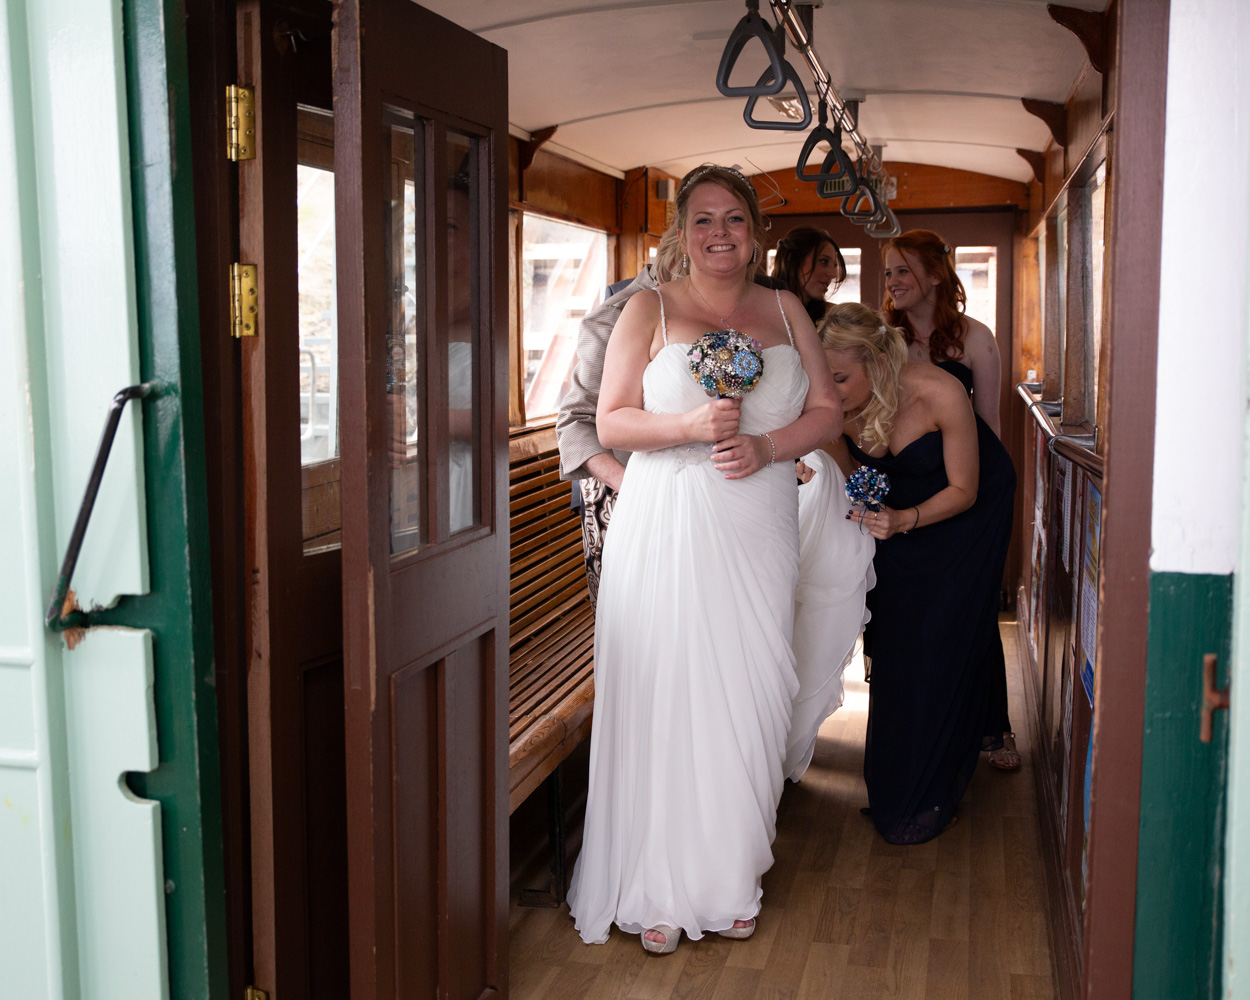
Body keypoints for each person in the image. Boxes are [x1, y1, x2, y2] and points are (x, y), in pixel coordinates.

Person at [565, 164, 841, 954]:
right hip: (669, 519)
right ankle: (656, 882)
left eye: (734, 220)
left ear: (755, 233)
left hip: (758, 520)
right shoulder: (646, 309)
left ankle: (729, 876)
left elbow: (825, 408)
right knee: (668, 693)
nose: (720, 234)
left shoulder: (787, 310)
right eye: (703, 220)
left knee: (749, 692)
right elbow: (611, 420)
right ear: (681, 234)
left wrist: (765, 444)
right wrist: (688, 429)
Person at [820, 302, 1015, 844]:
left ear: (879, 360)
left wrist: (907, 518)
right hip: (899, 516)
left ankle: (935, 784)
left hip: (967, 511)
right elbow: (855, 473)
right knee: (897, 635)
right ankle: (895, 778)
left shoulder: (939, 392)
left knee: (944, 636)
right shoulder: (831, 403)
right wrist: (871, 511)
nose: (829, 391)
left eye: (840, 377)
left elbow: (966, 489)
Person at [881, 229, 1018, 768]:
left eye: (902, 271)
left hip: (975, 491)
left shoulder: (977, 339)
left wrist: (981, 503)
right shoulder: (884, 339)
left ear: (936, 275)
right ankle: (911, 723)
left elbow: (989, 427)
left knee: (973, 607)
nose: (892, 282)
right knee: (908, 609)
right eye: (889, 272)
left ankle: (992, 729)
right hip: (909, 485)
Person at [771, 226, 847, 325]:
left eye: (834, 266)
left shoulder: (833, 319)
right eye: (823, 261)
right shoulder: (759, 308)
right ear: (791, 259)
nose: (833, 274)